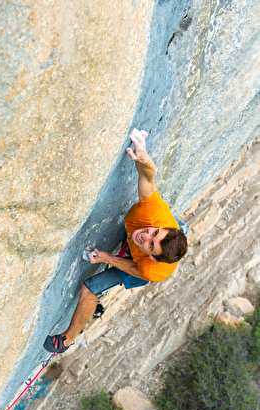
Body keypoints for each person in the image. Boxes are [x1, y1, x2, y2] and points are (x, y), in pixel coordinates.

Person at [43, 128, 188, 353]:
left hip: (138, 265)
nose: (146, 235)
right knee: (174, 226)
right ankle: (179, 229)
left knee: (90, 289)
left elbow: (133, 267)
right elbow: (147, 177)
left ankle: (67, 340)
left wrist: (105, 257)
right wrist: (145, 159)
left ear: (151, 255)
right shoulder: (154, 215)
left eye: (150, 243)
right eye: (155, 232)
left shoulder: (153, 269)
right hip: (160, 231)